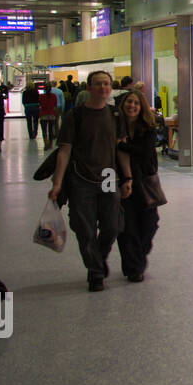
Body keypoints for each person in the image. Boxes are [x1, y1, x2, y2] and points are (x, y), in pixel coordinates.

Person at [48, 70, 124, 292]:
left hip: (109, 177)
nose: (103, 88)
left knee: (112, 226)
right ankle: (96, 272)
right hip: (81, 179)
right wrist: (57, 183)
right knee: (85, 228)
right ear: (89, 88)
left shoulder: (115, 115)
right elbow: (64, 150)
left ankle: (97, 260)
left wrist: (127, 178)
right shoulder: (75, 116)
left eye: (106, 84)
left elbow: (121, 150)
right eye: (98, 84)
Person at [115, 91, 160, 283]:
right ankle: (133, 267)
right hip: (120, 182)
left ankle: (138, 258)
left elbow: (144, 152)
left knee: (150, 224)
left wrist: (122, 146)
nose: (132, 106)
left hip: (145, 182)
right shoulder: (115, 128)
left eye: (136, 103)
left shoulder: (147, 129)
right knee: (127, 227)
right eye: (129, 102)